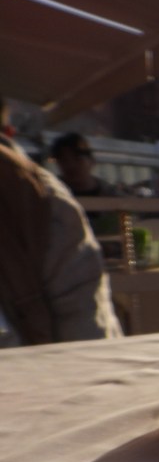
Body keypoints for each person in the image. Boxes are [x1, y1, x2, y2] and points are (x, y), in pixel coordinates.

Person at [0, 98, 122, 347]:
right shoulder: (38, 193)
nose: (70, 165)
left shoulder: (103, 196)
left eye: (75, 158)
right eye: (62, 160)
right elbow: (88, 329)